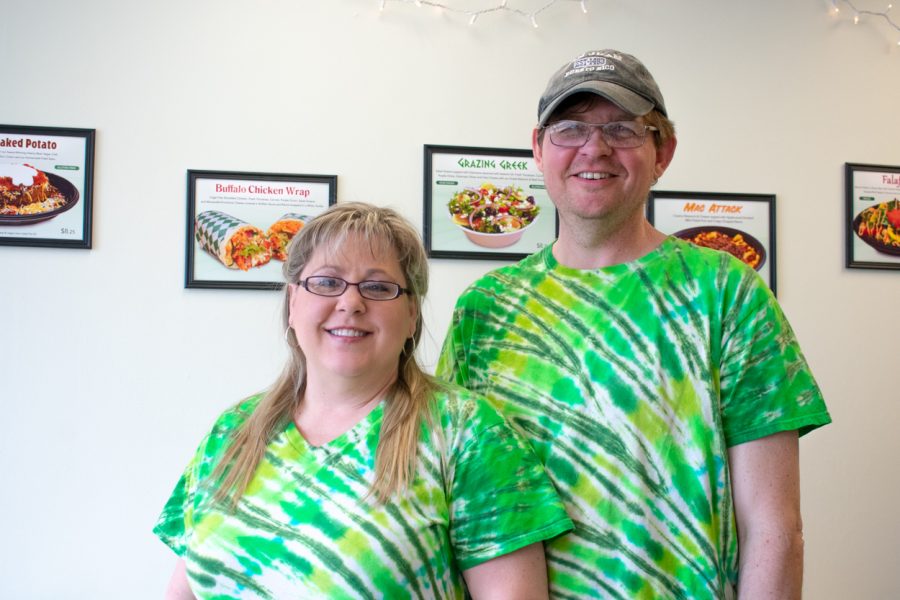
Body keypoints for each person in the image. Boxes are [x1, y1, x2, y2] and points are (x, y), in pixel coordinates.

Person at [437, 50, 831, 599]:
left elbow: (775, 527)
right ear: (538, 148)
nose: (594, 148)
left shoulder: (728, 293)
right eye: (570, 128)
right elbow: (460, 506)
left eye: (621, 129)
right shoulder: (484, 310)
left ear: (662, 151)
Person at [155, 202, 573, 599]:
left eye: (378, 286)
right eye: (326, 282)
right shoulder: (234, 429)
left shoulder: (467, 432)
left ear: (412, 315)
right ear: (293, 303)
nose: (351, 303)